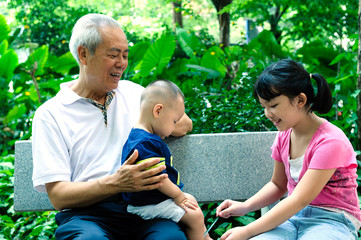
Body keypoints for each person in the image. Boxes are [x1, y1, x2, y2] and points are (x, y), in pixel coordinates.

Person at [31, 13, 193, 239]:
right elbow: (59, 196)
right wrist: (115, 183)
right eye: (113, 55)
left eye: (125, 55)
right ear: (84, 54)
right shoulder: (50, 114)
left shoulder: (133, 93)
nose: (122, 63)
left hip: (145, 210)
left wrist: (155, 116)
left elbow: (184, 124)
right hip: (87, 216)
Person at [216, 59, 361, 240]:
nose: (268, 114)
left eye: (274, 105)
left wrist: (246, 231)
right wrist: (244, 207)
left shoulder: (331, 142)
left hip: (332, 221)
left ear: (300, 100)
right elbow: (277, 185)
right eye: (264, 107)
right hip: (292, 218)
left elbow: (300, 199)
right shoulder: (284, 135)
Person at [121, 79, 212, 240]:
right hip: (147, 204)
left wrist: (181, 196)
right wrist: (178, 195)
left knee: (191, 202)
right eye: (174, 121)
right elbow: (158, 179)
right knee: (194, 215)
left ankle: (206, 238)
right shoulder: (144, 143)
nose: (173, 128)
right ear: (158, 111)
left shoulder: (141, 136)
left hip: (153, 199)